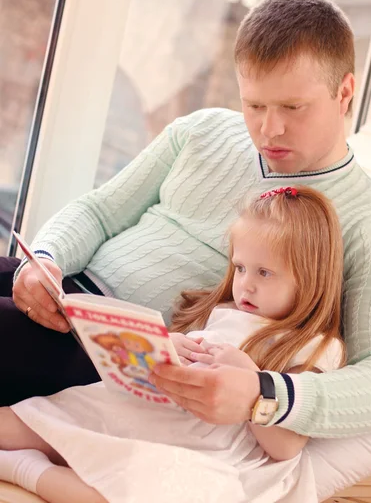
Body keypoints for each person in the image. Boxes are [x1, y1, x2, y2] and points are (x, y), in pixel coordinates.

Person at [1, 0, 371, 498]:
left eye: (293, 108)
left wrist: (265, 393)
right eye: (254, 104)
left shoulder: (370, 226)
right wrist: (48, 260)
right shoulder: (202, 131)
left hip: (118, 358)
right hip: (66, 297)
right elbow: (98, 211)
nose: (268, 128)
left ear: (345, 92)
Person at [0, 186, 346, 503]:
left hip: (200, 445)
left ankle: (23, 468)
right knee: (31, 422)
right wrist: (167, 345)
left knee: (135, 489)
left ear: (311, 278)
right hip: (145, 408)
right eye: (240, 268)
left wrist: (253, 381)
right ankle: (31, 449)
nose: (245, 286)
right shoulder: (226, 311)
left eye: (264, 273)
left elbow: (286, 447)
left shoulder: (316, 346)